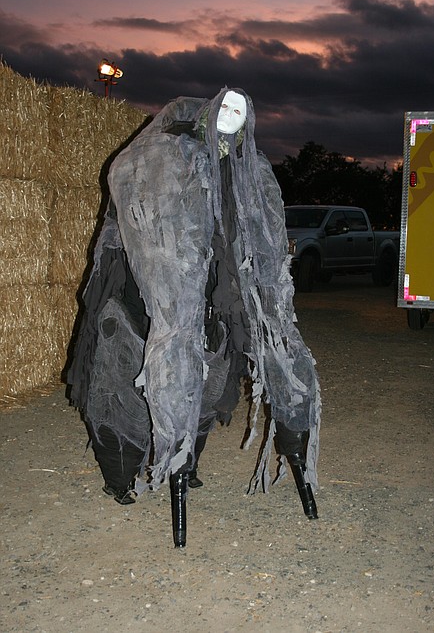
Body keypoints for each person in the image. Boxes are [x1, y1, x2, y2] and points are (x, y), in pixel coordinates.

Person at [68, 87, 321, 547]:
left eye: (241, 113)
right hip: (144, 287)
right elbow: (135, 200)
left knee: (210, 372)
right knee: (126, 371)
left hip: (212, 289)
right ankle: (121, 473)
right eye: (226, 109)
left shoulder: (249, 168)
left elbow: (262, 243)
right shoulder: (158, 154)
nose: (231, 118)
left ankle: (189, 459)